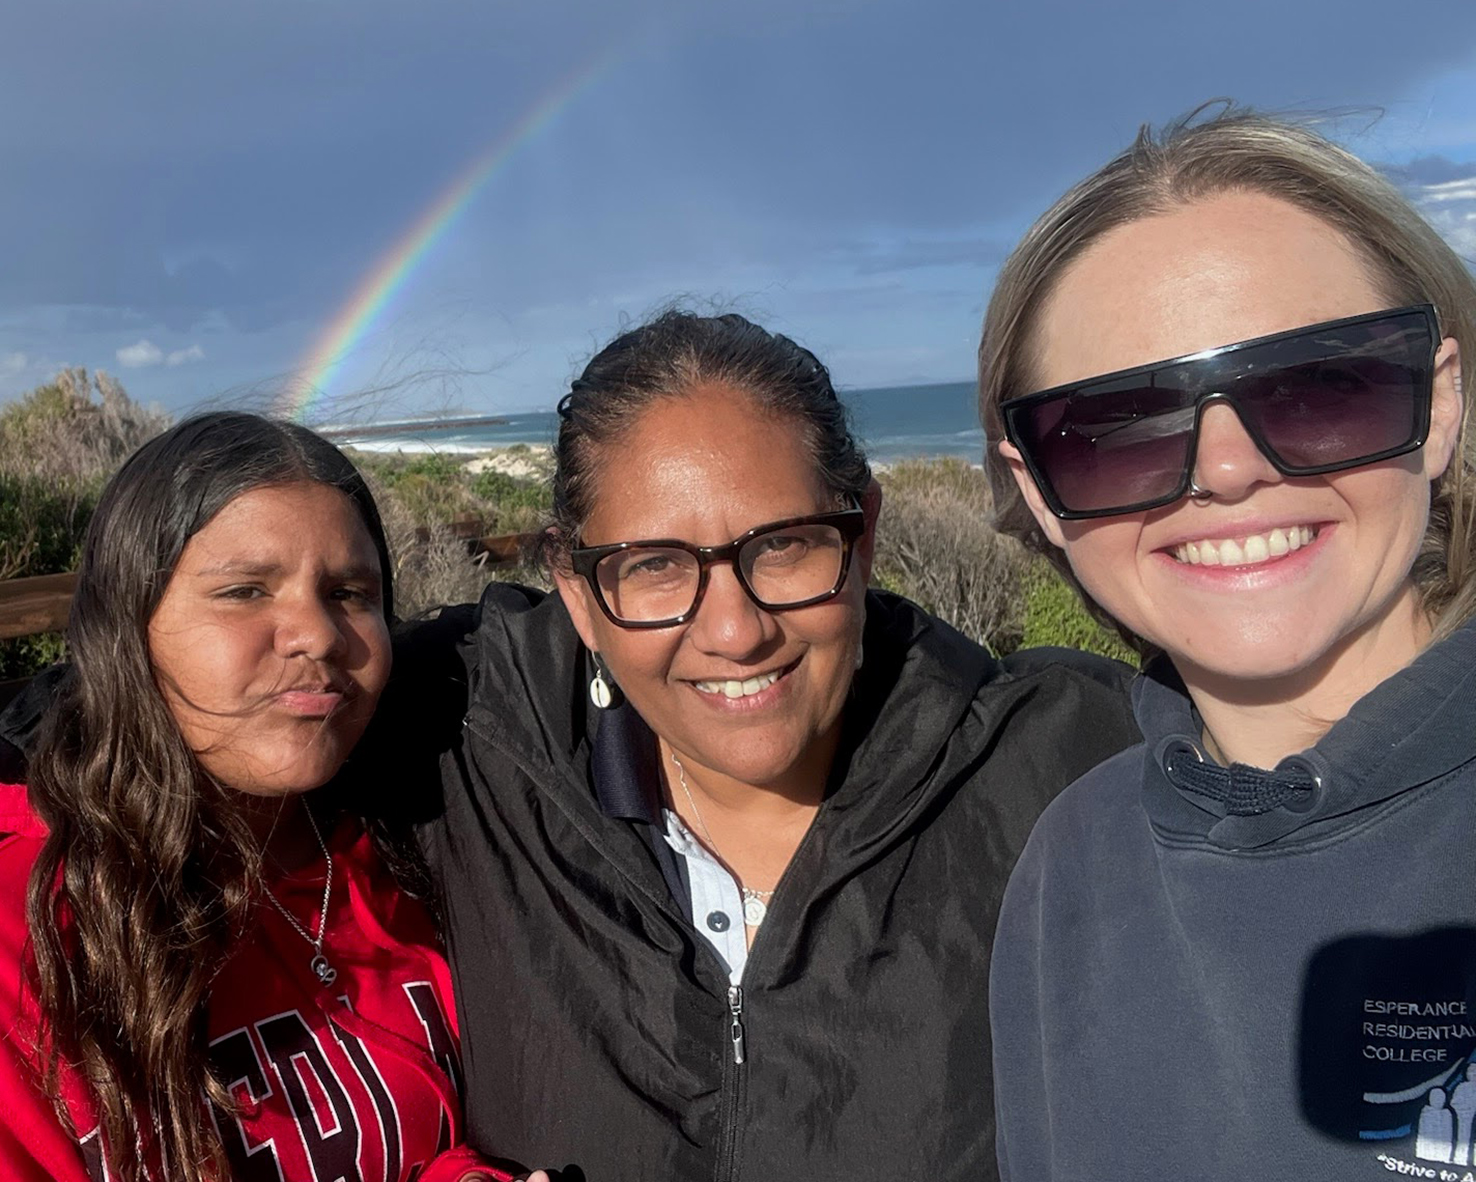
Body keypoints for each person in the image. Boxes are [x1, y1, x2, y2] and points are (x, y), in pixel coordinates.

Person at [367, 310, 1141, 1179]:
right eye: (654, 565)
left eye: (783, 546)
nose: (734, 632)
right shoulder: (466, 735)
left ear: (865, 535)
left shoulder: (1064, 761)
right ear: (578, 594)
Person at [980, 107, 1476, 1180]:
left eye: (1313, 386)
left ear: (1439, 404)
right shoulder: (1074, 864)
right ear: (1042, 495)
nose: (1228, 470)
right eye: (1120, 427)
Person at [0, 414, 520, 1182]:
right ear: (128, 627)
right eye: (245, 591)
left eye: (350, 592)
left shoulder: (410, 854)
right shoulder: (32, 935)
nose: (317, 633)